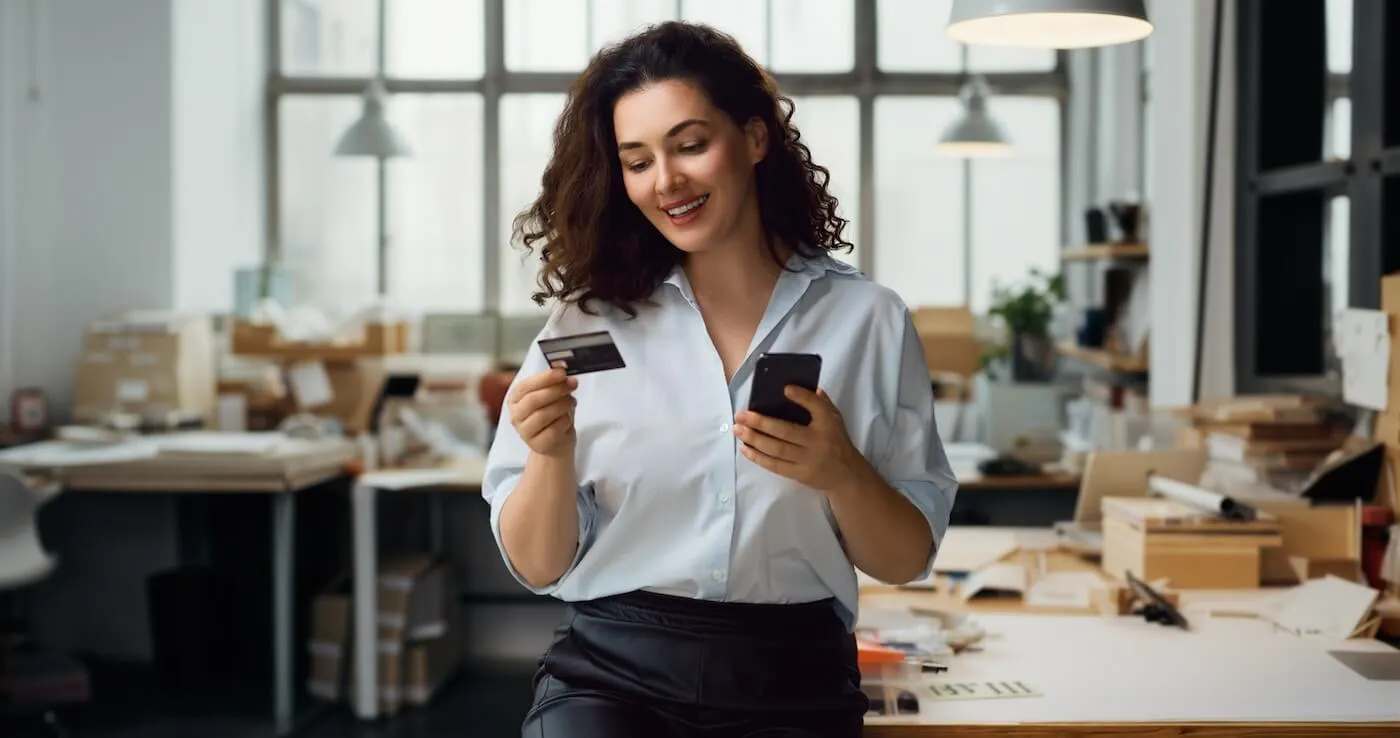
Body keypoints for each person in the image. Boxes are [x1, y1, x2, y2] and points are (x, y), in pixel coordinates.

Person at [483, 20, 957, 738]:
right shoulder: (588, 324)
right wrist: (549, 456)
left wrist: (842, 472)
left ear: (756, 139)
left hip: (796, 679)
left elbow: (904, 559)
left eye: (690, 145)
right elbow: (539, 565)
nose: (665, 181)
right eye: (637, 161)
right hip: (612, 678)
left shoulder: (868, 320)